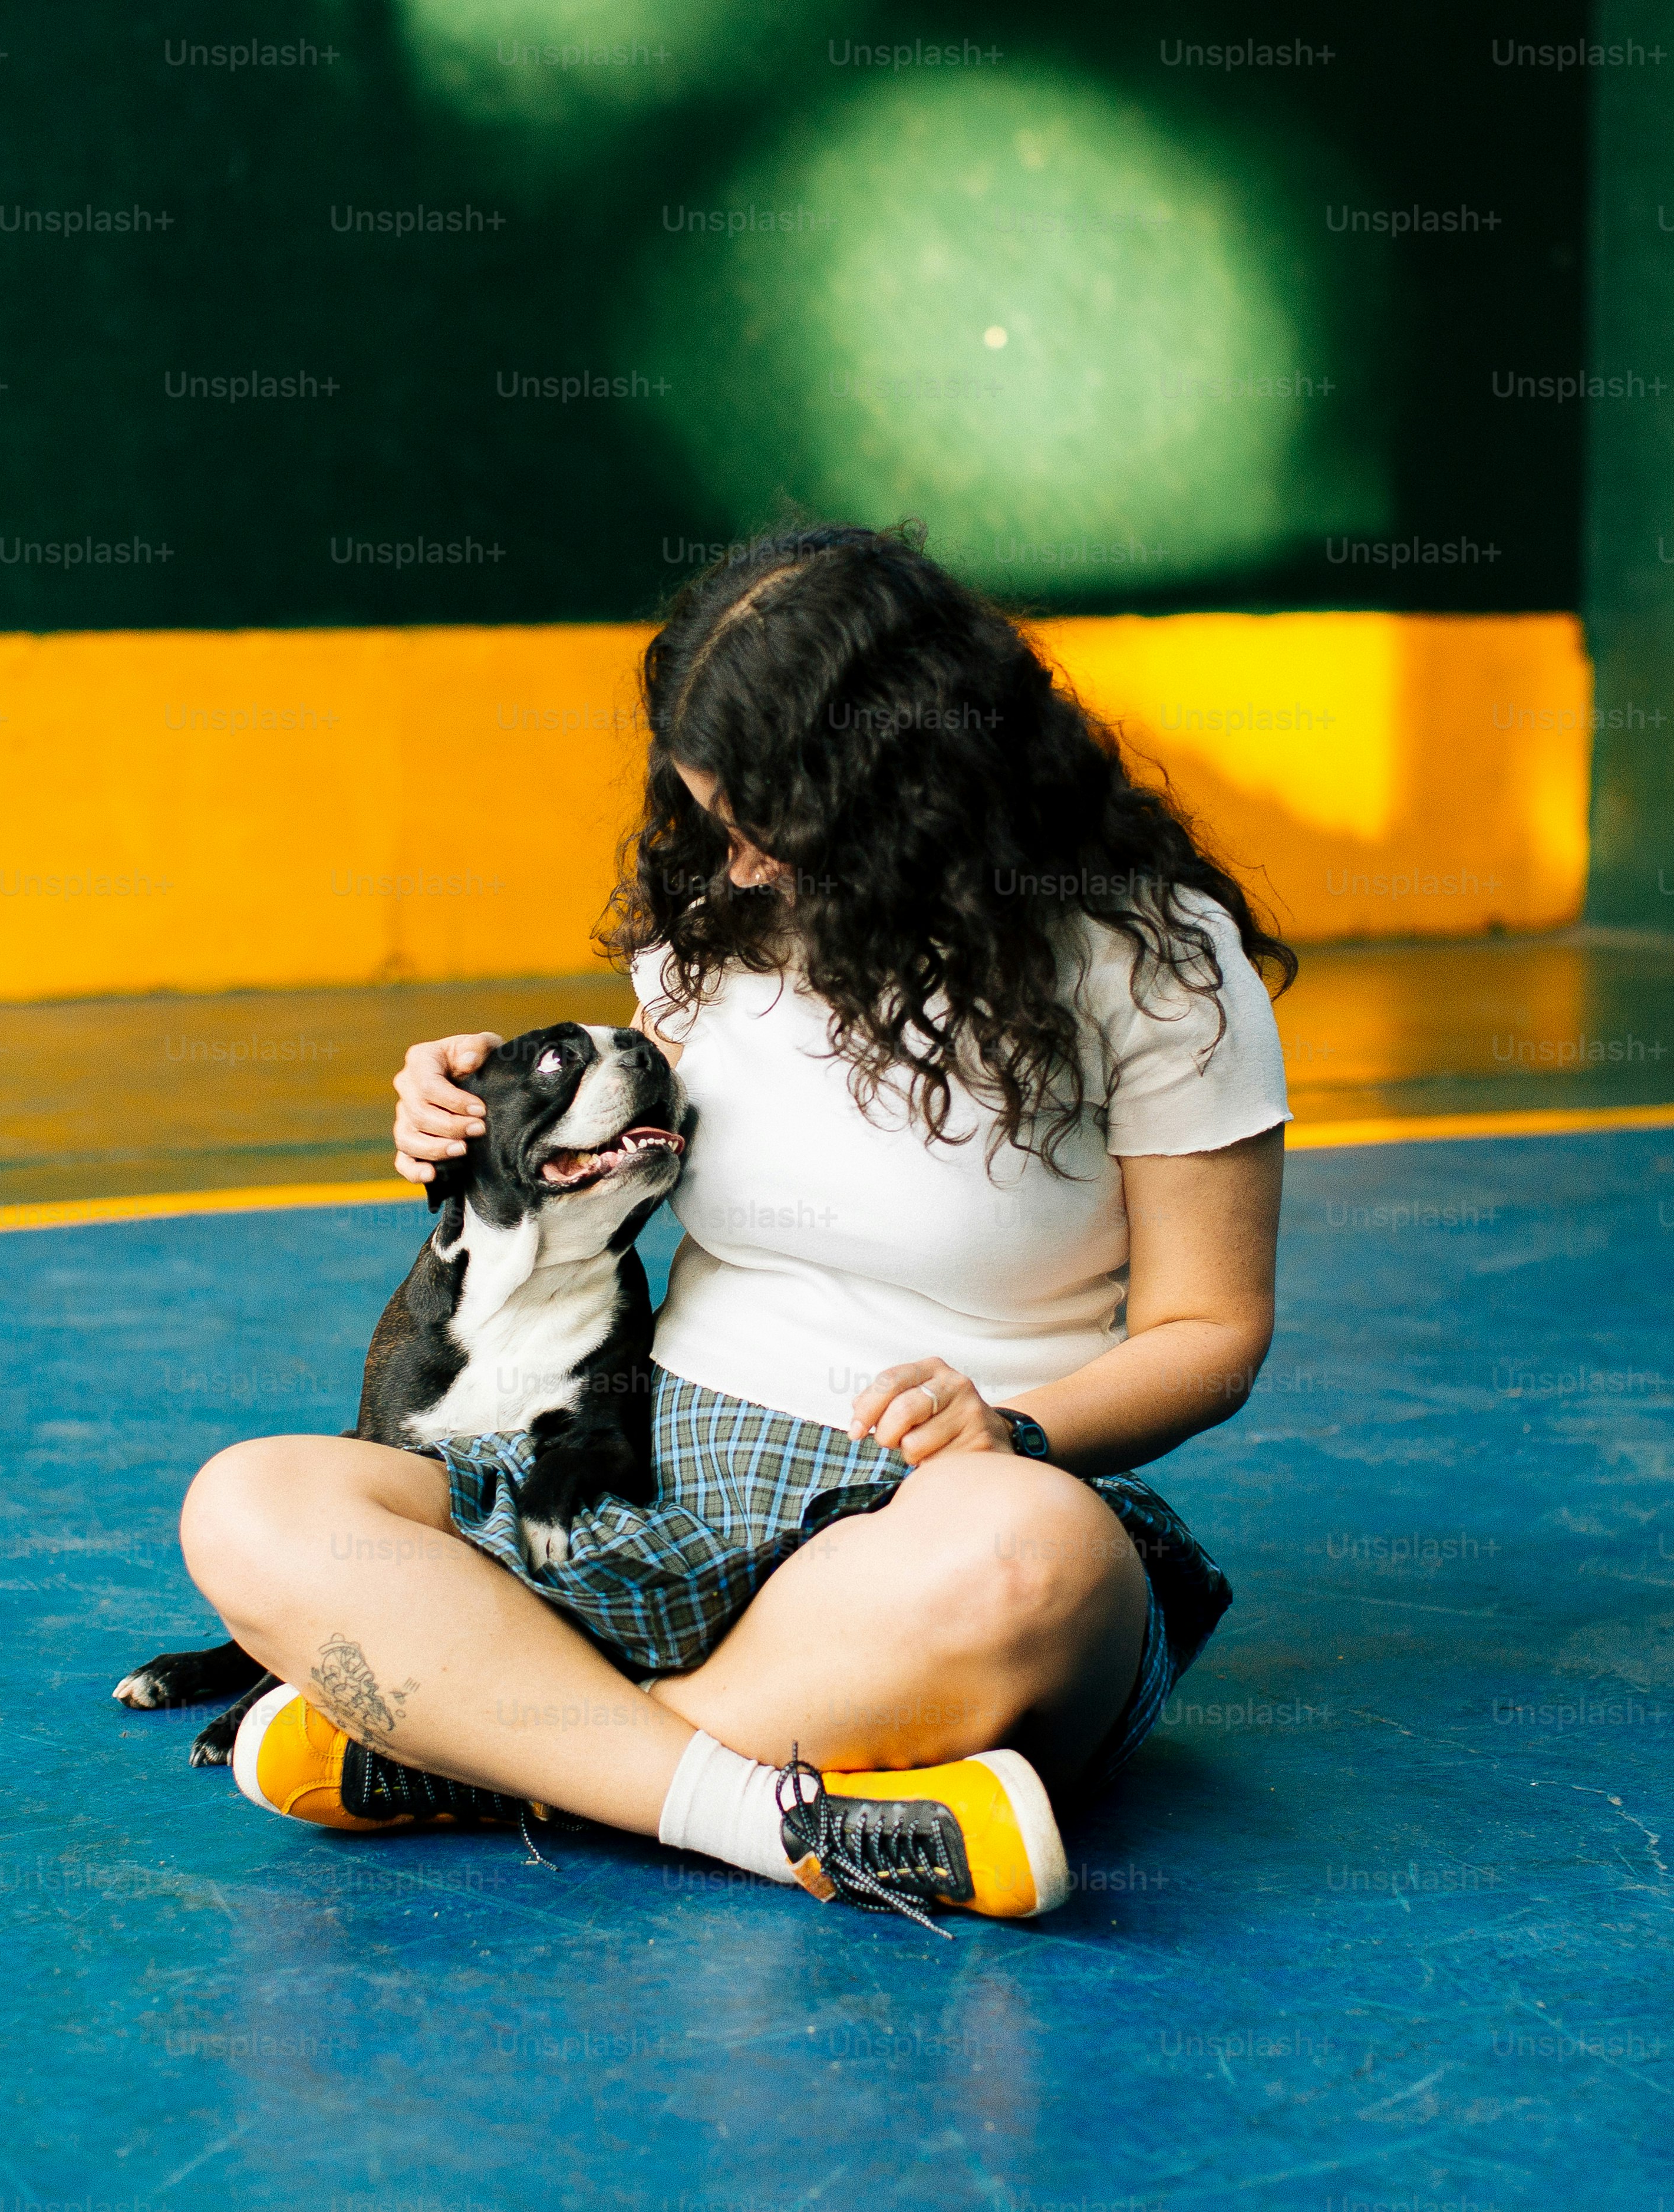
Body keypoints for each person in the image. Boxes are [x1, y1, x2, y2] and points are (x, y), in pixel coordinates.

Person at [176, 522, 1291, 1926]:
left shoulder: (1154, 962)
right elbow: (603, 1175)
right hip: (642, 1486)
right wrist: (476, 1125)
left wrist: (1015, 1435)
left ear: (919, 795)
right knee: (255, 1503)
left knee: (1034, 1556)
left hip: (931, 1520)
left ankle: (488, 1751)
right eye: (713, 819)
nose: (742, 866)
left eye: (771, 826)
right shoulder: (708, 928)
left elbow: (1212, 1331)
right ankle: (769, 1810)